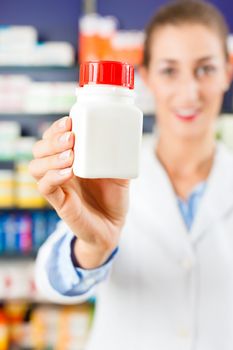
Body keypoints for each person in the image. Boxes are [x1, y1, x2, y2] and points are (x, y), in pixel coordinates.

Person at [29, 1, 233, 349]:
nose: (189, 91)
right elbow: (51, 282)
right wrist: (93, 247)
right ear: (147, 76)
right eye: (170, 70)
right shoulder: (104, 172)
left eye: (205, 69)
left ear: (228, 71)